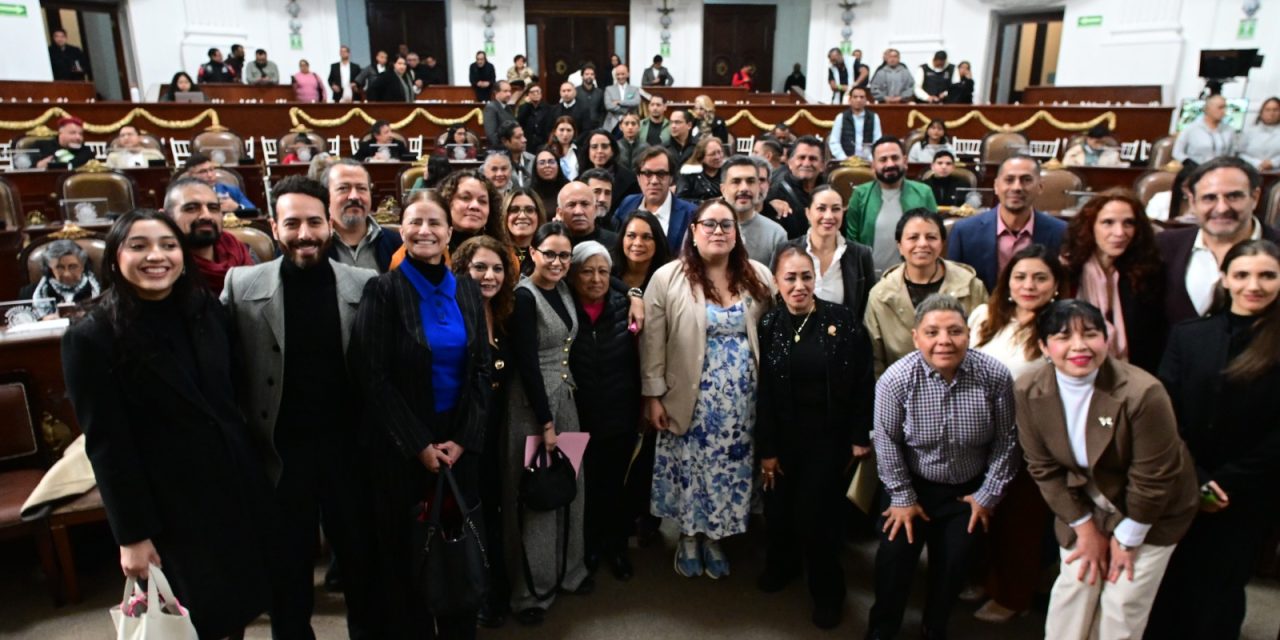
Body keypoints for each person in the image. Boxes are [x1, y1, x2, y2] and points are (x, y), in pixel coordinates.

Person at [61, 209, 271, 639]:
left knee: (236, 610)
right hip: (169, 510)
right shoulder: (92, 337)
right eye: (139, 246)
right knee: (190, 620)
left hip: (233, 493)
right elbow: (107, 445)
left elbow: (232, 400)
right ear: (116, 257)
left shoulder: (205, 310)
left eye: (168, 245)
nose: (156, 256)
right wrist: (132, 535)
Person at [220, 176, 380, 638]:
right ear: (274, 226)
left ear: (328, 224)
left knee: (362, 572)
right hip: (280, 458)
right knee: (288, 578)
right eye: (292, 223)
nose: (304, 233)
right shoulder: (241, 284)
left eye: (313, 221)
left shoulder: (366, 284)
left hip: (349, 453)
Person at [348, 192, 491, 638]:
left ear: (451, 233)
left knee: (456, 549)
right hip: (403, 448)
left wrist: (464, 438)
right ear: (401, 230)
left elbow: (482, 369)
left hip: (457, 444)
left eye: (435, 223)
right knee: (406, 558)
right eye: (415, 222)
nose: (425, 230)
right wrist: (418, 445)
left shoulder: (467, 289)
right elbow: (369, 375)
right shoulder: (384, 290)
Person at [1016, 299, 1199, 640]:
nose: (1079, 346)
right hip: (1085, 502)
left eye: (1090, 333)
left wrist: (1127, 539)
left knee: (1121, 602)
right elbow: (1043, 468)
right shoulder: (1027, 390)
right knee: (1075, 586)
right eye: (1062, 336)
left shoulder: (1143, 392)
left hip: (1152, 510)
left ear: (1106, 339)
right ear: (1043, 346)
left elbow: (1153, 478)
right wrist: (1085, 530)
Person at [1146, 239, 1280, 640]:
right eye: (1242, 274)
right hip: (1184, 481)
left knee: (1220, 592)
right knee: (1168, 586)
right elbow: (1165, 414)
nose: (1253, 285)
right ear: (1225, 278)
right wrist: (1198, 477)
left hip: (1247, 491)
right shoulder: (1190, 335)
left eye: (1267, 275)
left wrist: (1229, 482)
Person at [867, 292, 1019, 640]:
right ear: (915, 336)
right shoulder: (896, 379)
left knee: (954, 564)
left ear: (969, 333)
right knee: (893, 560)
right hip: (909, 484)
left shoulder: (994, 376)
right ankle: (882, 629)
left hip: (967, 491)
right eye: (932, 332)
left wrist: (988, 494)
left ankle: (934, 626)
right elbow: (886, 441)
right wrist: (903, 498)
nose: (944, 341)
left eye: (954, 331)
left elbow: (1007, 441)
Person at [641, 199, 774, 579]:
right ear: (694, 231)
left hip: (742, 403)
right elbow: (653, 341)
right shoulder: (669, 277)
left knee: (729, 471)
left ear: (737, 233)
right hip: (686, 397)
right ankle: (687, 535)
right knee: (689, 469)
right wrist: (652, 396)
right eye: (709, 224)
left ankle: (715, 537)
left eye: (726, 225)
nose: (718, 231)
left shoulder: (759, 276)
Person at [755, 244, 873, 629]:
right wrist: (768, 449)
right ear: (776, 282)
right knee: (778, 512)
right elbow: (765, 394)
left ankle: (828, 594)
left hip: (828, 439)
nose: (799, 285)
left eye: (806, 276)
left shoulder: (842, 320)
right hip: (784, 437)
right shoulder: (769, 325)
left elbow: (862, 382)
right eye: (790, 277)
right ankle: (783, 567)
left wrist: (859, 433)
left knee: (816, 519)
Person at [964, 244, 1063, 623]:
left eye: (1040, 278)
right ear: (1007, 282)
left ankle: (1012, 594)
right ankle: (982, 577)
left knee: (1019, 522)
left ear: (1055, 285)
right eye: (1020, 276)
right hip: (977, 434)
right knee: (981, 515)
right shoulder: (984, 316)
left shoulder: (1059, 327)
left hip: (1028, 439)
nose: (1029, 285)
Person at [501, 222, 591, 624]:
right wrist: (546, 422)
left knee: (568, 487)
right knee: (537, 497)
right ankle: (532, 593)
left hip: (565, 400)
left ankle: (568, 572)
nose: (557, 261)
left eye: (564, 255)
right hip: (534, 409)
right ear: (532, 252)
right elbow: (526, 365)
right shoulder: (524, 297)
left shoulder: (564, 289)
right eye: (549, 253)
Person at [448, 234, 518, 628]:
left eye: (496, 268)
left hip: (498, 430)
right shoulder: (450, 313)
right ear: (461, 269)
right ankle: (472, 595)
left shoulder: (505, 312)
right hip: (463, 432)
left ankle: (495, 591)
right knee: (467, 513)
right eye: (479, 268)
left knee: (494, 509)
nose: (489, 276)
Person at [567, 240, 641, 581]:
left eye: (603, 271)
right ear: (573, 273)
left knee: (616, 486)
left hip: (618, 413)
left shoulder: (625, 306)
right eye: (587, 271)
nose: (596, 279)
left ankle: (617, 547)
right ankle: (588, 546)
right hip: (575, 415)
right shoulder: (563, 306)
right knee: (584, 487)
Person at [1156, 156, 1280, 326]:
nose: (1222, 208)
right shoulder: (1164, 246)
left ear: (1255, 197)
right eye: (1209, 198)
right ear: (1192, 202)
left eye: (1234, 196)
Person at [865, 208, 988, 376]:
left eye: (931, 237)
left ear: (942, 243)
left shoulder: (971, 286)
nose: (922, 244)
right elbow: (875, 359)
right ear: (900, 246)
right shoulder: (880, 295)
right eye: (913, 238)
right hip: (901, 390)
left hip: (965, 386)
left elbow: (986, 347)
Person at [1060, 189, 1166, 373]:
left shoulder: (1149, 273)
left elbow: (1154, 340)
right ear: (1090, 225)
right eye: (1108, 223)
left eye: (1129, 223)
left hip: (1136, 375)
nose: (1119, 232)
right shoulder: (1067, 271)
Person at [947, 154, 1068, 291]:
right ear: (996, 186)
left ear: (1040, 187)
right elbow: (955, 288)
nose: (1017, 187)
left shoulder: (1061, 232)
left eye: (1026, 180)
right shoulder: (964, 232)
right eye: (1009, 180)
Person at [845, 136, 939, 275]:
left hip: (914, 277)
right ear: (873, 166)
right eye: (883, 160)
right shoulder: (860, 195)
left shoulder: (923, 193)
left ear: (905, 161)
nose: (890, 164)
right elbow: (852, 243)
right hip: (869, 279)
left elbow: (934, 237)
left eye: (895, 158)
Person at [161, 177, 256, 296]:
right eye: (191, 208)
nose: (206, 216)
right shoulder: (161, 267)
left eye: (213, 208)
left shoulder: (242, 251)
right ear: (166, 217)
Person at [800, 185, 874, 319]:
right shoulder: (788, 251)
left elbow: (867, 308)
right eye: (821, 209)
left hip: (846, 337)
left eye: (836, 209)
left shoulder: (861, 254)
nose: (829, 216)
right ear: (808, 213)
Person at [321, 158, 399, 273]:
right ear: (326, 195)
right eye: (343, 188)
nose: (354, 196)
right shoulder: (314, 244)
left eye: (361, 188)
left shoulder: (395, 243)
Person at [613, 146, 697, 250]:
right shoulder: (627, 204)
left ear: (671, 178)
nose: (654, 181)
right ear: (638, 178)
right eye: (647, 174)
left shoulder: (691, 213)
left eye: (661, 174)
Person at [720, 155, 785, 266]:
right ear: (723, 189)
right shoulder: (703, 228)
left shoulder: (776, 234)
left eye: (750, 181)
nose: (744, 188)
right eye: (736, 181)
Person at [765, 136, 826, 239]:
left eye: (813, 159)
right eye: (801, 157)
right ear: (790, 163)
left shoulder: (830, 192)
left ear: (822, 166)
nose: (806, 163)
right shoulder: (775, 192)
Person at [24, 239, 100, 319]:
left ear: (83, 266)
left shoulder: (102, 289)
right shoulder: (28, 293)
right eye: (59, 267)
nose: (66, 274)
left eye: (73, 266)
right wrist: (42, 320)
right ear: (50, 269)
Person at [611, 209, 672, 291]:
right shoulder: (608, 271)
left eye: (646, 237)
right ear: (622, 238)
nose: (638, 243)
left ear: (658, 241)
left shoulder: (669, 278)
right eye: (631, 236)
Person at [579, 130, 639, 204]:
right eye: (594, 147)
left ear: (612, 150)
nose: (599, 151)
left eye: (604, 146)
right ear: (588, 151)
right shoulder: (578, 181)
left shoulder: (630, 181)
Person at [1173, 94, 1236, 164]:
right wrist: (1187, 162)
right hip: (1196, 168)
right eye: (1220, 107)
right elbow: (1177, 152)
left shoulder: (1229, 130)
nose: (1224, 111)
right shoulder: (1191, 129)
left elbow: (1232, 154)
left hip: (1221, 169)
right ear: (1208, 109)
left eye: (1225, 107)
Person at [183, 153, 256, 212]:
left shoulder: (231, 190)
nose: (210, 175)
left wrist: (238, 208)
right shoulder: (183, 195)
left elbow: (254, 211)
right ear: (190, 175)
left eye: (211, 170)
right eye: (203, 172)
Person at [827, 87, 882, 162]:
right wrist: (844, 158)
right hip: (845, 162)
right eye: (855, 97)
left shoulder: (874, 117)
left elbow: (878, 141)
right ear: (850, 100)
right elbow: (834, 142)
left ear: (866, 100)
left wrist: (871, 159)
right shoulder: (841, 117)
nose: (858, 100)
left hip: (868, 161)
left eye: (862, 97)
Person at [557, 181, 617, 247]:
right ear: (560, 213)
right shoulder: (551, 244)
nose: (578, 211)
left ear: (595, 209)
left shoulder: (616, 244)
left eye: (585, 204)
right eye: (571, 205)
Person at [503, 187, 546, 276]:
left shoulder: (548, 254)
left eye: (529, 210)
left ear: (539, 215)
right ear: (505, 215)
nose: (522, 216)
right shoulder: (495, 253)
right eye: (514, 210)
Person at [677, 136, 728, 203]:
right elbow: (681, 200)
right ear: (701, 157)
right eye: (712, 154)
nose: (718, 157)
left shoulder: (728, 171)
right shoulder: (689, 174)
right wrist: (704, 202)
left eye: (719, 152)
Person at [1238, 95, 1280, 171]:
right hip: (1252, 171)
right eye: (1268, 110)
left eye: (1275, 110)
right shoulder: (1249, 131)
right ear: (1261, 112)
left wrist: (1273, 163)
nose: (1271, 113)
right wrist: (1257, 163)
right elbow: (1240, 153)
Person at [603, 65, 641, 132]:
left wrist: (620, 102)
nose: (620, 77)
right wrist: (627, 110)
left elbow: (636, 102)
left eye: (623, 74)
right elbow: (608, 106)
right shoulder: (609, 89)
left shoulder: (634, 89)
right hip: (613, 124)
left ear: (628, 74)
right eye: (618, 74)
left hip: (630, 123)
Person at [484, 80, 518, 149]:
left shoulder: (508, 107)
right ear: (496, 93)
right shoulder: (491, 107)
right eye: (505, 91)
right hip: (499, 152)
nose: (509, 94)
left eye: (510, 91)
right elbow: (492, 136)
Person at [517, 84, 550, 153]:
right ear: (528, 95)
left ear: (541, 94)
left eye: (537, 91)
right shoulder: (523, 107)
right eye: (532, 92)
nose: (535, 94)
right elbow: (519, 122)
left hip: (543, 143)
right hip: (528, 143)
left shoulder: (547, 108)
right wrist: (527, 104)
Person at [575, 64, 606, 131]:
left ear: (594, 76)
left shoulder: (600, 92)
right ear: (582, 76)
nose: (589, 76)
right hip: (579, 128)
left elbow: (603, 111)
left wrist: (600, 125)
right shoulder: (575, 91)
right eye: (587, 74)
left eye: (592, 74)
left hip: (596, 127)